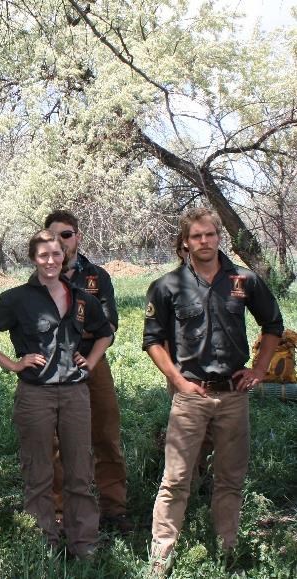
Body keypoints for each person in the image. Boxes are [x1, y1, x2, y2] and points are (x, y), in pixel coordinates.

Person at [143, 207, 283, 575]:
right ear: (185, 242)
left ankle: (227, 549)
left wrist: (260, 369)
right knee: (175, 480)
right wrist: (176, 379)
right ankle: (162, 556)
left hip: (234, 397)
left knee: (230, 479)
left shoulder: (244, 280)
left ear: (219, 237)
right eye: (196, 236)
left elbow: (273, 324)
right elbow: (153, 340)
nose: (204, 241)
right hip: (191, 396)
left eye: (210, 234)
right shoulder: (166, 286)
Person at [0, 230, 112, 558]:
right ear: (33, 259)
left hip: (76, 394)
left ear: (64, 256)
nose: (50, 261)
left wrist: (89, 362)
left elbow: (104, 333)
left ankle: (84, 545)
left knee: (79, 471)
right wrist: (13, 364)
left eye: (56, 255)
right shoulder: (17, 299)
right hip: (36, 396)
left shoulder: (80, 298)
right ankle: (42, 545)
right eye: (43, 255)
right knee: (38, 473)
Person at [44, 210, 129, 531]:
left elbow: (108, 325)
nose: (60, 242)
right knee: (57, 441)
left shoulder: (97, 277)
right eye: (53, 236)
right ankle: (61, 512)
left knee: (106, 434)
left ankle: (114, 508)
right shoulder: (40, 278)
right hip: (55, 370)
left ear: (78, 236)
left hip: (94, 364)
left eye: (66, 235)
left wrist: (70, 330)